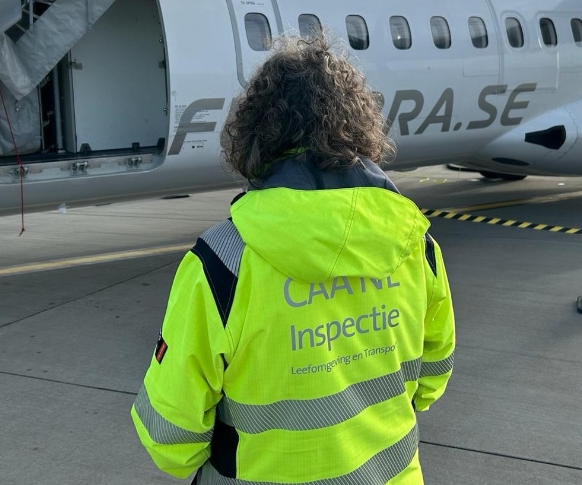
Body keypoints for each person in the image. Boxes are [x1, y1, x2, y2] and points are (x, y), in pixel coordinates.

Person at [131, 35, 455, 483]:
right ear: (361, 127)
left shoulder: (222, 263)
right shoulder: (416, 244)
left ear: (255, 135)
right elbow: (432, 375)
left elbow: (170, 434)